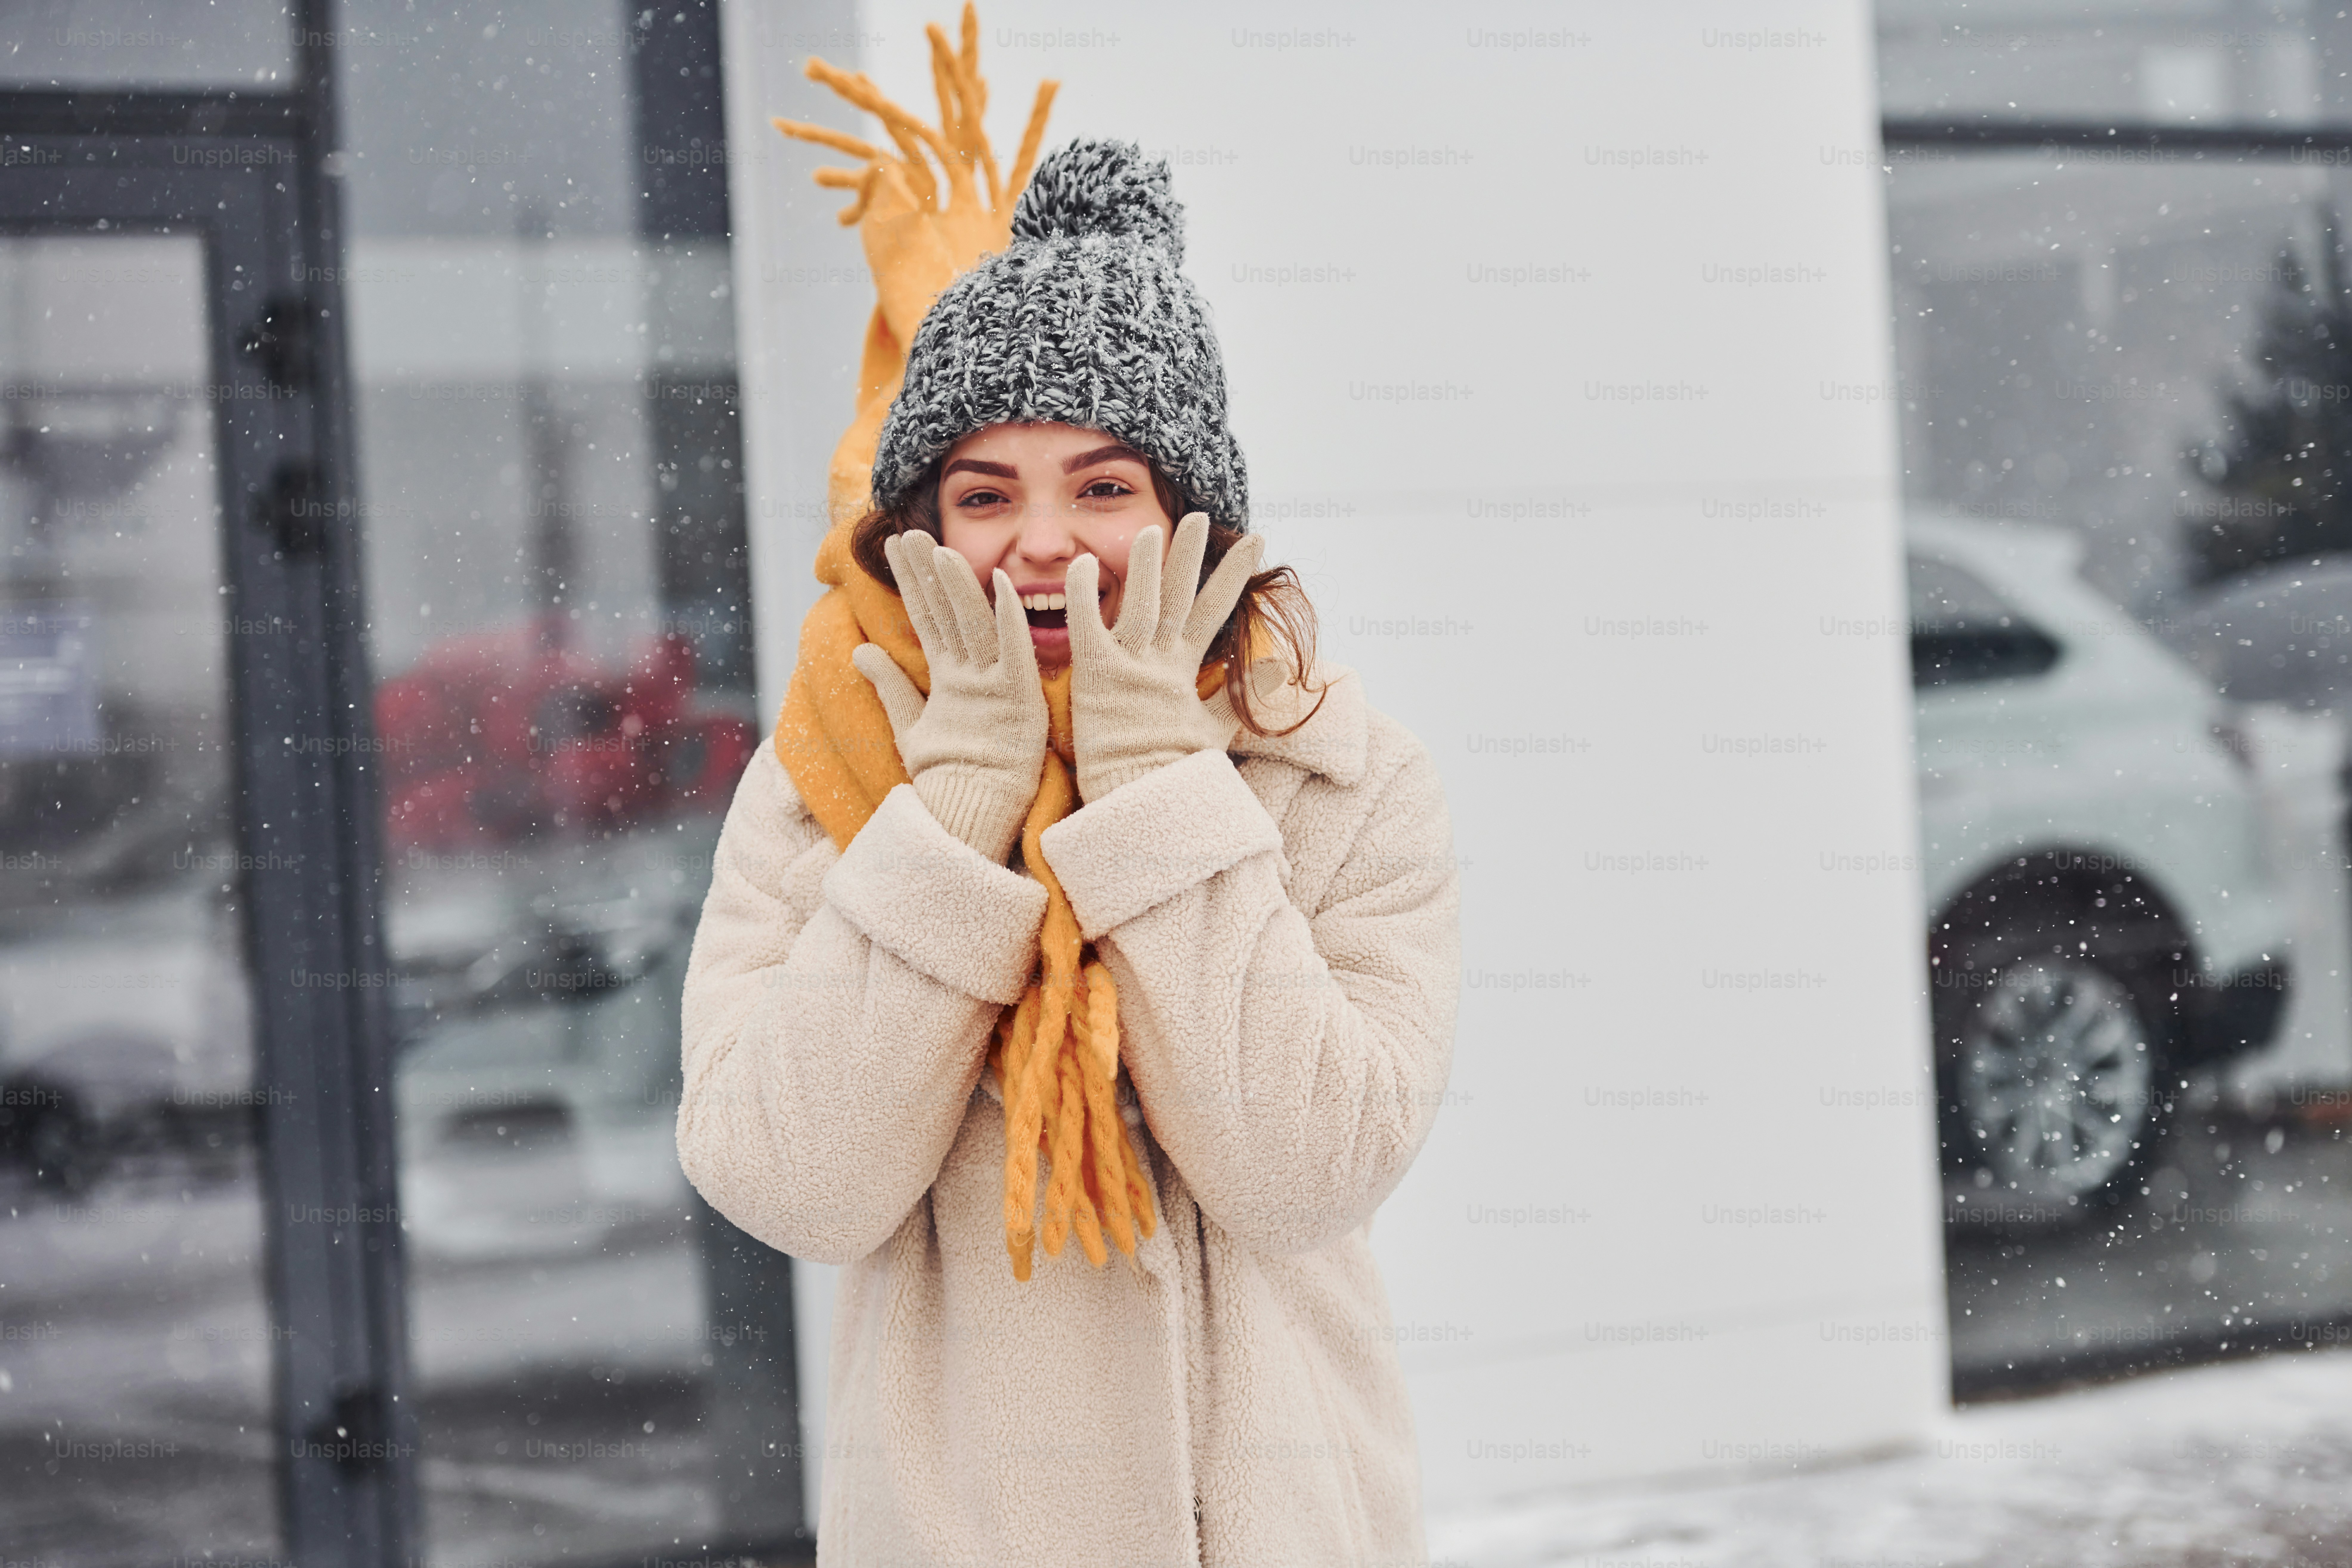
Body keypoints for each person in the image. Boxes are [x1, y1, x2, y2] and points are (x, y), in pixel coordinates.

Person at [677, 137, 1461, 1567]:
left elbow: (1309, 1170)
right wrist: (955, 812)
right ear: (919, 528)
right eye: (984, 495)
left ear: (1191, 516)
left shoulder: (1336, 777)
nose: (1044, 544)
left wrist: (1158, 783)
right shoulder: (825, 788)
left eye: (1104, 488)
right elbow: (793, 1183)